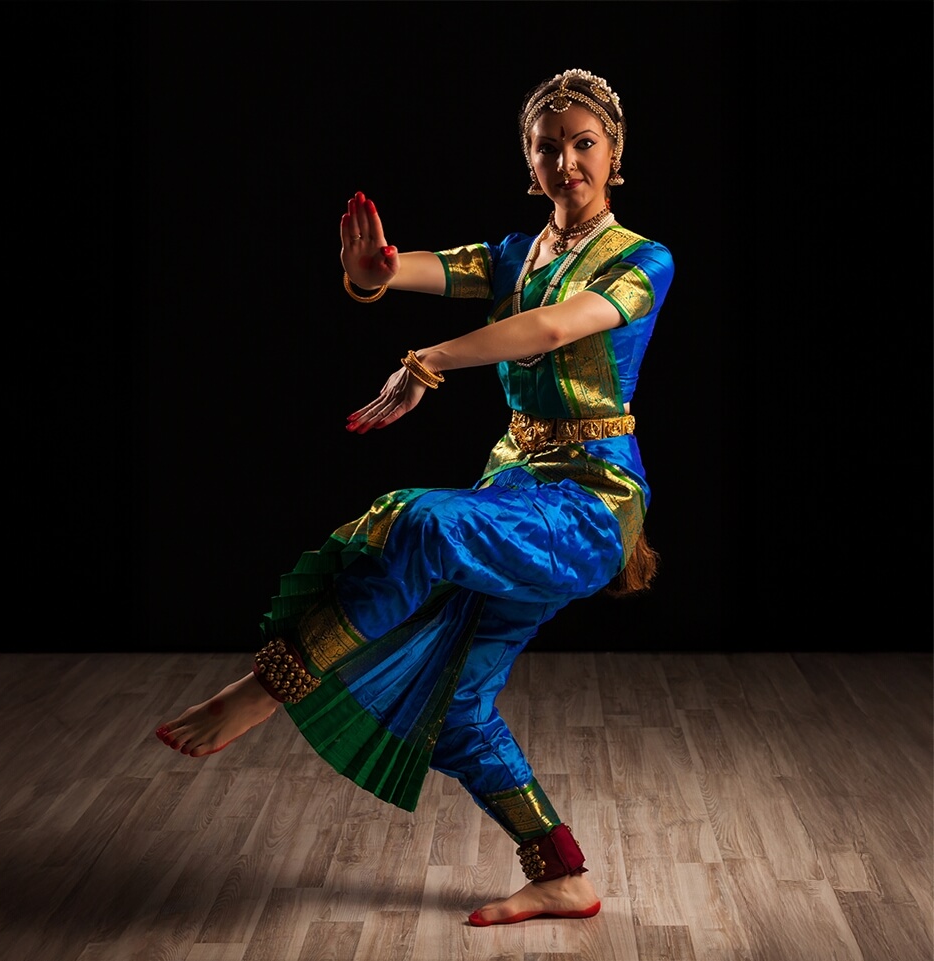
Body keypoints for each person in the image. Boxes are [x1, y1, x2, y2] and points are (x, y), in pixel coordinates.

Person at [156, 67, 674, 927]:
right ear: (529, 162)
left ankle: (268, 684)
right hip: (515, 494)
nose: (567, 160)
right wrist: (372, 274)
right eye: (548, 146)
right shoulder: (516, 256)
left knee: (415, 518)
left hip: (588, 505)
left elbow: (549, 328)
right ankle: (560, 873)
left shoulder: (642, 260)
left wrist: (426, 360)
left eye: (584, 143)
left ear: (614, 156)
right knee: (459, 708)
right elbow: (424, 269)